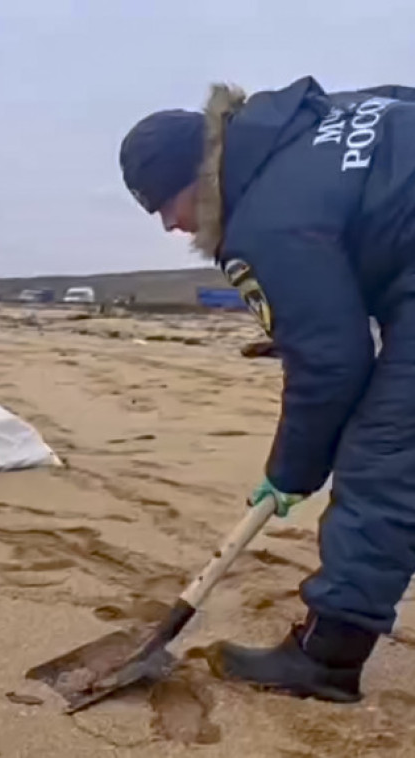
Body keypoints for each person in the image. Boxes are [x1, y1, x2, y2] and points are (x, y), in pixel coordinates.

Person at [119, 76, 415, 702]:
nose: (170, 225)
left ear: (196, 175)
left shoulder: (264, 221)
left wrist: (290, 472)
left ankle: (327, 658)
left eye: (165, 204)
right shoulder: (311, 122)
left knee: (382, 458)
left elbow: (333, 365)